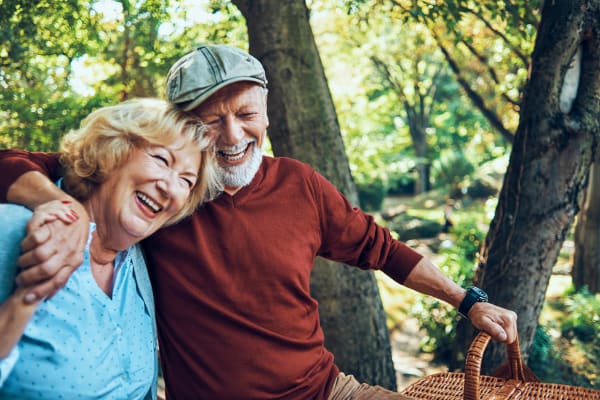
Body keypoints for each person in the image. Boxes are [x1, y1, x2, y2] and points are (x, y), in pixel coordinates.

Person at [0, 45, 517, 399]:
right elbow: (27, 163)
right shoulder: (156, 198)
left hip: (328, 391)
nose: (232, 135)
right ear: (183, 129)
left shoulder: (300, 184)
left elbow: (383, 249)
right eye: (211, 120)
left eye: (246, 114)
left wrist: (468, 300)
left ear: (265, 112)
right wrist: (53, 204)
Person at [0, 98, 218, 399]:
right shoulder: (13, 231)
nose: (170, 187)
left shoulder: (141, 263)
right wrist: (27, 296)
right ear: (113, 151)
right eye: (161, 159)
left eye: (186, 180)